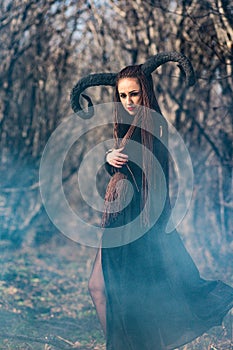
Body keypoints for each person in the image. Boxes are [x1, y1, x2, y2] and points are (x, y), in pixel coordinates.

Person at [71, 54, 233, 350]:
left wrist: (114, 161)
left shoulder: (152, 128)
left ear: (144, 91)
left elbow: (150, 175)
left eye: (134, 93)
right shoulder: (127, 126)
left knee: (119, 294)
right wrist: (110, 160)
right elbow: (128, 169)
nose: (128, 100)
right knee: (103, 290)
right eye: (122, 95)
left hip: (136, 221)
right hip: (119, 218)